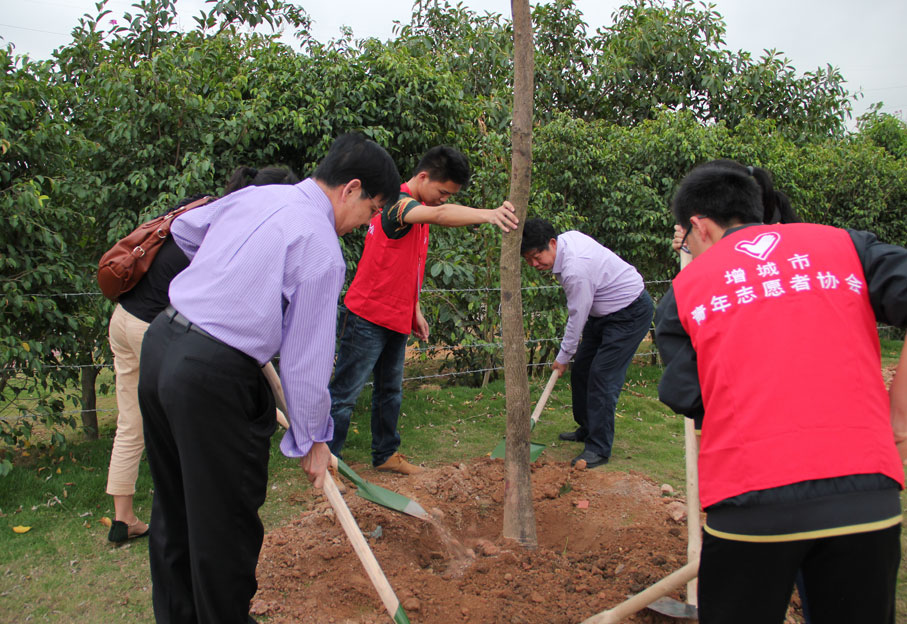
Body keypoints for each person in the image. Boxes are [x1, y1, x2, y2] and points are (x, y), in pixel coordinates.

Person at [137, 133, 400, 624]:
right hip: (210, 376)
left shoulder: (258, 194)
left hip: (162, 346)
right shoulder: (322, 248)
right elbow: (305, 362)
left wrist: (231, 286)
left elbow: (187, 232)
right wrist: (314, 440)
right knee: (225, 525)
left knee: (174, 510)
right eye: (371, 210)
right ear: (352, 189)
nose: (365, 224)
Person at [654, 160, 907, 624]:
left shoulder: (686, 290)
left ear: (698, 226)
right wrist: (901, 415)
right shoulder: (848, 245)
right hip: (866, 494)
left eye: (685, 239)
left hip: (751, 501)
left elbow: (687, 395)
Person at [105, 165, 299, 545]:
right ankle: (184, 511)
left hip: (123, 318)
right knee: (181, 426)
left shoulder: (199, 209)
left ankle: (122, 517)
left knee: (132, 423)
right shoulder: (236, 232)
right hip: (158, 329)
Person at [328, 145, 519, 474]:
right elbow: (442, 216)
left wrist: (414, 308)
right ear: (423, 177)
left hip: (396, 317)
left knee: (390, 391)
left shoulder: (421, 208)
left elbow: (407, 264)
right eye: (443, 192)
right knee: (345, 394)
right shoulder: (398, 205)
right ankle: (329, 464)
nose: (444, 200)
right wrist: (488, 214)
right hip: (367, 316)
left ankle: (386, 454)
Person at [521, 218, 654, 468]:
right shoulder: (565, 242)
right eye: (528, 260)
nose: (534, 264)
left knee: (602, 377)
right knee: (582, 368)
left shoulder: (575, 270)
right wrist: (570, 358)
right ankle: (588, 427)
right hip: (602, 313)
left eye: (537, 257)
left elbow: (576, 317)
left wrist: (563, 356)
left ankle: (599, 448)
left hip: (629, 313)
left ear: (552, 243)